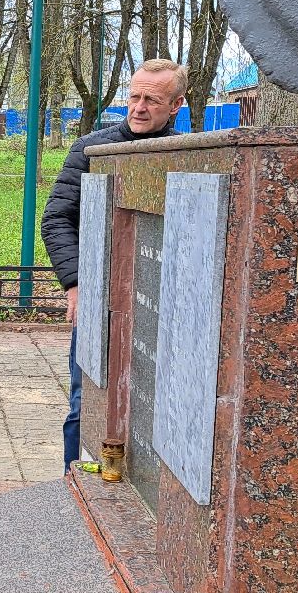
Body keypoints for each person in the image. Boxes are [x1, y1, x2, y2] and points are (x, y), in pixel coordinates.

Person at [40, 58, 187, 473]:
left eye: (152, 100)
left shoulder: (192, 152)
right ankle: (74, 486)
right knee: (84, 403)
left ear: (176, 104)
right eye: (134, 96)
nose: (139, 107)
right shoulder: (91, 149)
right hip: (100, 301)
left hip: (162, 304)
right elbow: (56, 219)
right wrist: (76, 283)